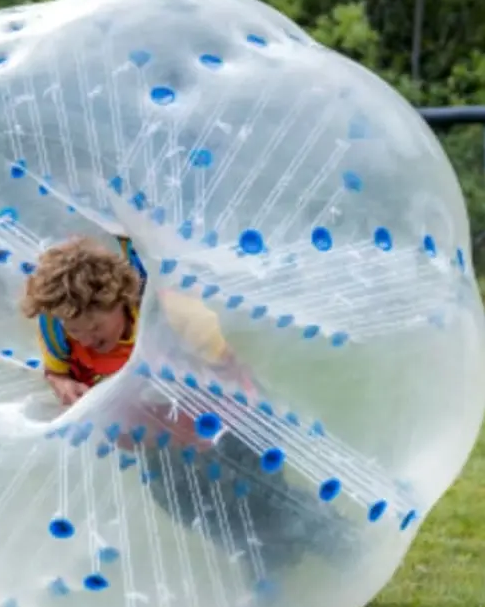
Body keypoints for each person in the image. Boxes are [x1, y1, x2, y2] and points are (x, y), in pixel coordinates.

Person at [20, 234, 352, 578]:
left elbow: (226, 366)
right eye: (77, 331)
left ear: (121, 298)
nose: (87, 339)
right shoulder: (59, 333)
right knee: (183, 505)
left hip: (228, 419)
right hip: (160, 438)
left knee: (261, 494)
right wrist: (63, 383)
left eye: (96, 327)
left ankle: (340, 543)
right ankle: (266, 559)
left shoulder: (170, 313)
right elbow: (56, 370)